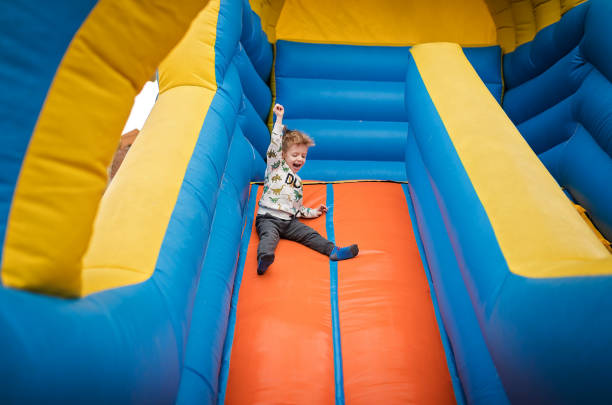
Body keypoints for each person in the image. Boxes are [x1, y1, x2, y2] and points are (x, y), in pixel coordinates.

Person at [255, 103, 359, 275]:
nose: (300, 159)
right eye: (295, 155)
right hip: (268, 218)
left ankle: (333, 251)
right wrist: (279, 120)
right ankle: (264, 258)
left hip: (288, 221)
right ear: (283, 155)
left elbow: (297, 208)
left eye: (303, 156)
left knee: (309, 234)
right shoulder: (276, 167)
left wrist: (313, 212)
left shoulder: (297, 182)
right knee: (269, 238)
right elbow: (274, 146)